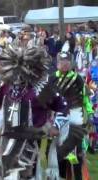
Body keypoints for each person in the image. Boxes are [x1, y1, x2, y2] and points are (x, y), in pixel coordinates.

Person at [0, 47, 80, 179]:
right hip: (7, 138)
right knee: (5, 171)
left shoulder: (40, 89)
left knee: (26, 173)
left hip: (31, 140)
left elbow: (62, 106)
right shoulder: (6, 86)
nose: (19, 74)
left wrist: (56, 126)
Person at [50, 51, 93, 180]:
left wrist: (89, 112)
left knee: (77, 154)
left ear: (71, 63)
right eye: (61, 62)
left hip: (75, 118)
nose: (64, 64)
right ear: (57, 63)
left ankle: (78, 177)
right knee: (59, 154)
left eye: (66, 62)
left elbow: (85, 97)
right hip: (58, 120)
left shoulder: (77, 78)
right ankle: (61, 176)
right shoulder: (52, 78)